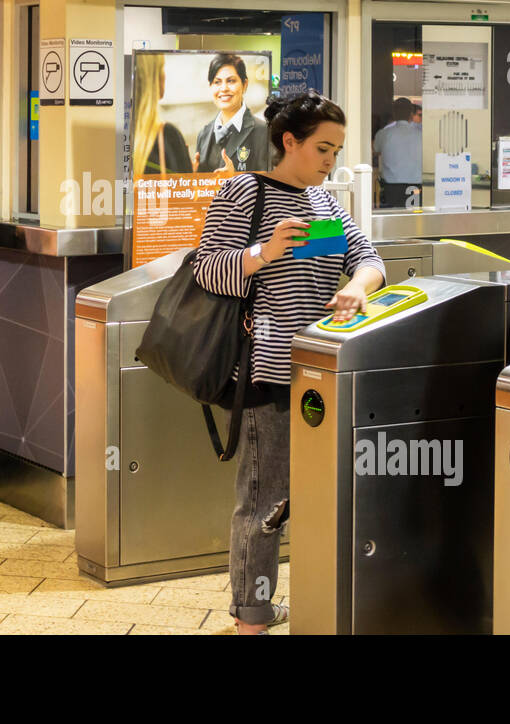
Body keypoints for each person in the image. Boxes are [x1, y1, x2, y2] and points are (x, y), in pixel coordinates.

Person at [193, 93, 386, 634]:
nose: (329, 160)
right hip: (268, 372)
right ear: (289, 142)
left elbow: (368, 258)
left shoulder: (324, 206)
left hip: (325, 374)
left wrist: (358, 287)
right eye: (322, 148)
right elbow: (207, 271)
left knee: (315, 497)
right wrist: (263, 253)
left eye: (337, 150)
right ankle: (251, 616)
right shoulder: (244, 195)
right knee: (264, 499)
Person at [193, 53, 272, 173]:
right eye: (217, 82)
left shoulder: (264, 132)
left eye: (231, 81)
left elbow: (271, 184)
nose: (223, 88)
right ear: (210, 86)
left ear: (244, 85)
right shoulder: (204, 134)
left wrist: (234, 180)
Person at [132, 52, 191, 175]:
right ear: (154, 78)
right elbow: (184, 193)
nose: (164, 75)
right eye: (161, 68)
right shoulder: (167, 136)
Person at [373, 96, 422, 208]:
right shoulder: (420, 136)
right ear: (411, 114)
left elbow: (375, 151)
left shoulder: (383, 134)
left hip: (391, 189)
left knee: (390, 221)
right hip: (415, 188)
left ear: (394, 114)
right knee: (414, 221)